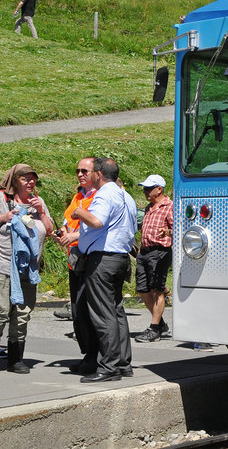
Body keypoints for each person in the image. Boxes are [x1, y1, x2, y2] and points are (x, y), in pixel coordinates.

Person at [74, 157, 137, 382]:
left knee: (103, 313)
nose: (86, 176)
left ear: (99, 174)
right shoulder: (125, 196)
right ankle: (122, 363)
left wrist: (79, 212)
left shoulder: (105, 194)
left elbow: (97, 221)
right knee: (117, 310)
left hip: (103, 259)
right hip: (120, 257)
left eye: (90, 172)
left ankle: (108, 367)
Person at [1, 163, 54, 373]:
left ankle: (15, 359)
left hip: (29, 269)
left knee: (22, 314)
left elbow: (49, 230)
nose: (31, 182)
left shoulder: (38, 202)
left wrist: (41, 211)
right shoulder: (3, 200)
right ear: (14, 181)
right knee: (2, 312)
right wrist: (4, 218)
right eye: (25, 178)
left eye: (33, 178)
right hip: (4, 265)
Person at [55, 158, 98, 331]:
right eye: (77, 171)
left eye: (84, 171)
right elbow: (67, 222)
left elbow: (101, 227)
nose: (80, 174)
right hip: (74, 258)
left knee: (89, 307)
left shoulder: (100, 196)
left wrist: (74, 235)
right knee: (77, 308)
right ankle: (87, 351)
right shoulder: (78, 196)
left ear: (96, 173)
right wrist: (62, 233)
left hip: (91, 257)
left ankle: (95, 352)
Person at [134, 174, 172, 342]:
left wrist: (168, 232)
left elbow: (181, 228)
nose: (145, 192)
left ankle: (154, 328)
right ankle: (160, 323)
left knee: (157, 289)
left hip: (160, 251)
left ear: (159, 189)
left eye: (148, 189)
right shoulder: (149, 208)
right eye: (144, 189)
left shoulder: (169, 206)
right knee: (143, 290)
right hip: (144, 252)